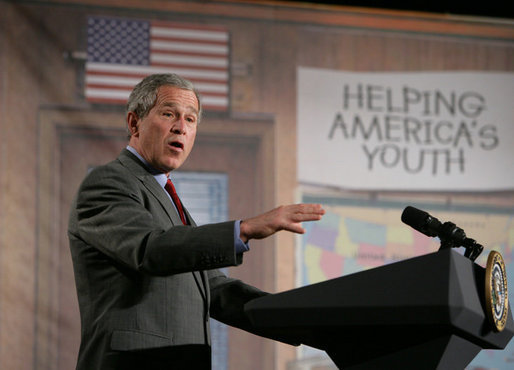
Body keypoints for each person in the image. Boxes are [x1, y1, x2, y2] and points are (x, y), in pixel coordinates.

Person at [68, 73, 325, 369]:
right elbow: (149, 249)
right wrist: (243, 229)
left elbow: (216, 290)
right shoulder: (107, 182)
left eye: (191, 120)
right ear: (134, 123)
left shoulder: (165, 196)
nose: (181, 127)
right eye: (169, 114)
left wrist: (310, 324)